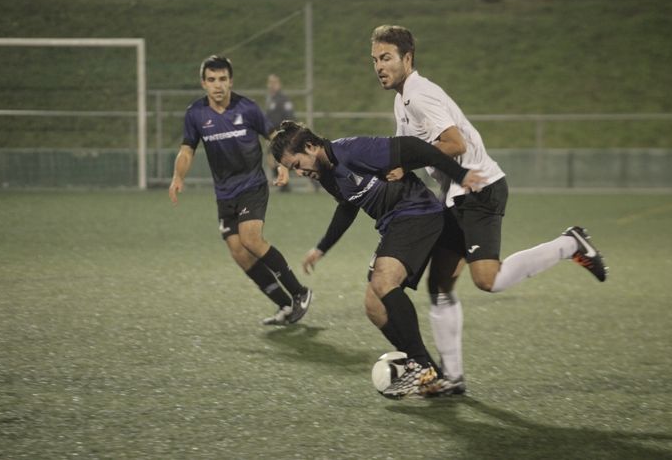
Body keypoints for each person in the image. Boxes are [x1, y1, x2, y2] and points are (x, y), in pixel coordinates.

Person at [370, 25, 607, 389]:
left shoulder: (420, 94)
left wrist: (407, 166)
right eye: (374, 60)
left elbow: (455, 143)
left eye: (386, 58)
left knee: (487, 280)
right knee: (440, 286)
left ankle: (571, 243)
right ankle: (453, 377)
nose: (379, 67)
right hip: (455, 196)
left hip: (480, 189)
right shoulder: (402, 99)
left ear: (407, 58)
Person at [270, 120, 485, 398]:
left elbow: (416, 147)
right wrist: (322, 247)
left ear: (310, 147)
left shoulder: (355, 150)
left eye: (297, 164)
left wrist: (460, 173)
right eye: (293, 169)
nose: (299, 173)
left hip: (417, 211)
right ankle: (432, 374)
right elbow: (348, 207)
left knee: (384, 280)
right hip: (394, 224)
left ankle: (418, 365)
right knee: (374, 306)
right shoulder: (325, 175)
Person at [169, 55, 313, 326]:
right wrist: (178, 175)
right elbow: (187, 149)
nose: (217, 85)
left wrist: (283, 164)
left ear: (231, 81)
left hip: (252, 185)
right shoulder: (196, 114)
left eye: (222, 79)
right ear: (203, 83)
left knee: (250, 239)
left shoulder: (247, 108)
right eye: (211, 80)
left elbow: (273, 136)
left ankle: (299, 292)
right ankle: (284, 305)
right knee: (239, 253)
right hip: (224, 193)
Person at [264, 74, 296, 189]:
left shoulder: (283, 99)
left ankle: (315, 183)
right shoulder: (270, 98)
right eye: (270, 83)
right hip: (271, 134)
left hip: (281, 133)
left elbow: (290, 117)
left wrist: (287, 133)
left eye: (274, 83)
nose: (271, 85)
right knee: (271, 160)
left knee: (290, 160)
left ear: (279, 84)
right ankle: (283, 185)